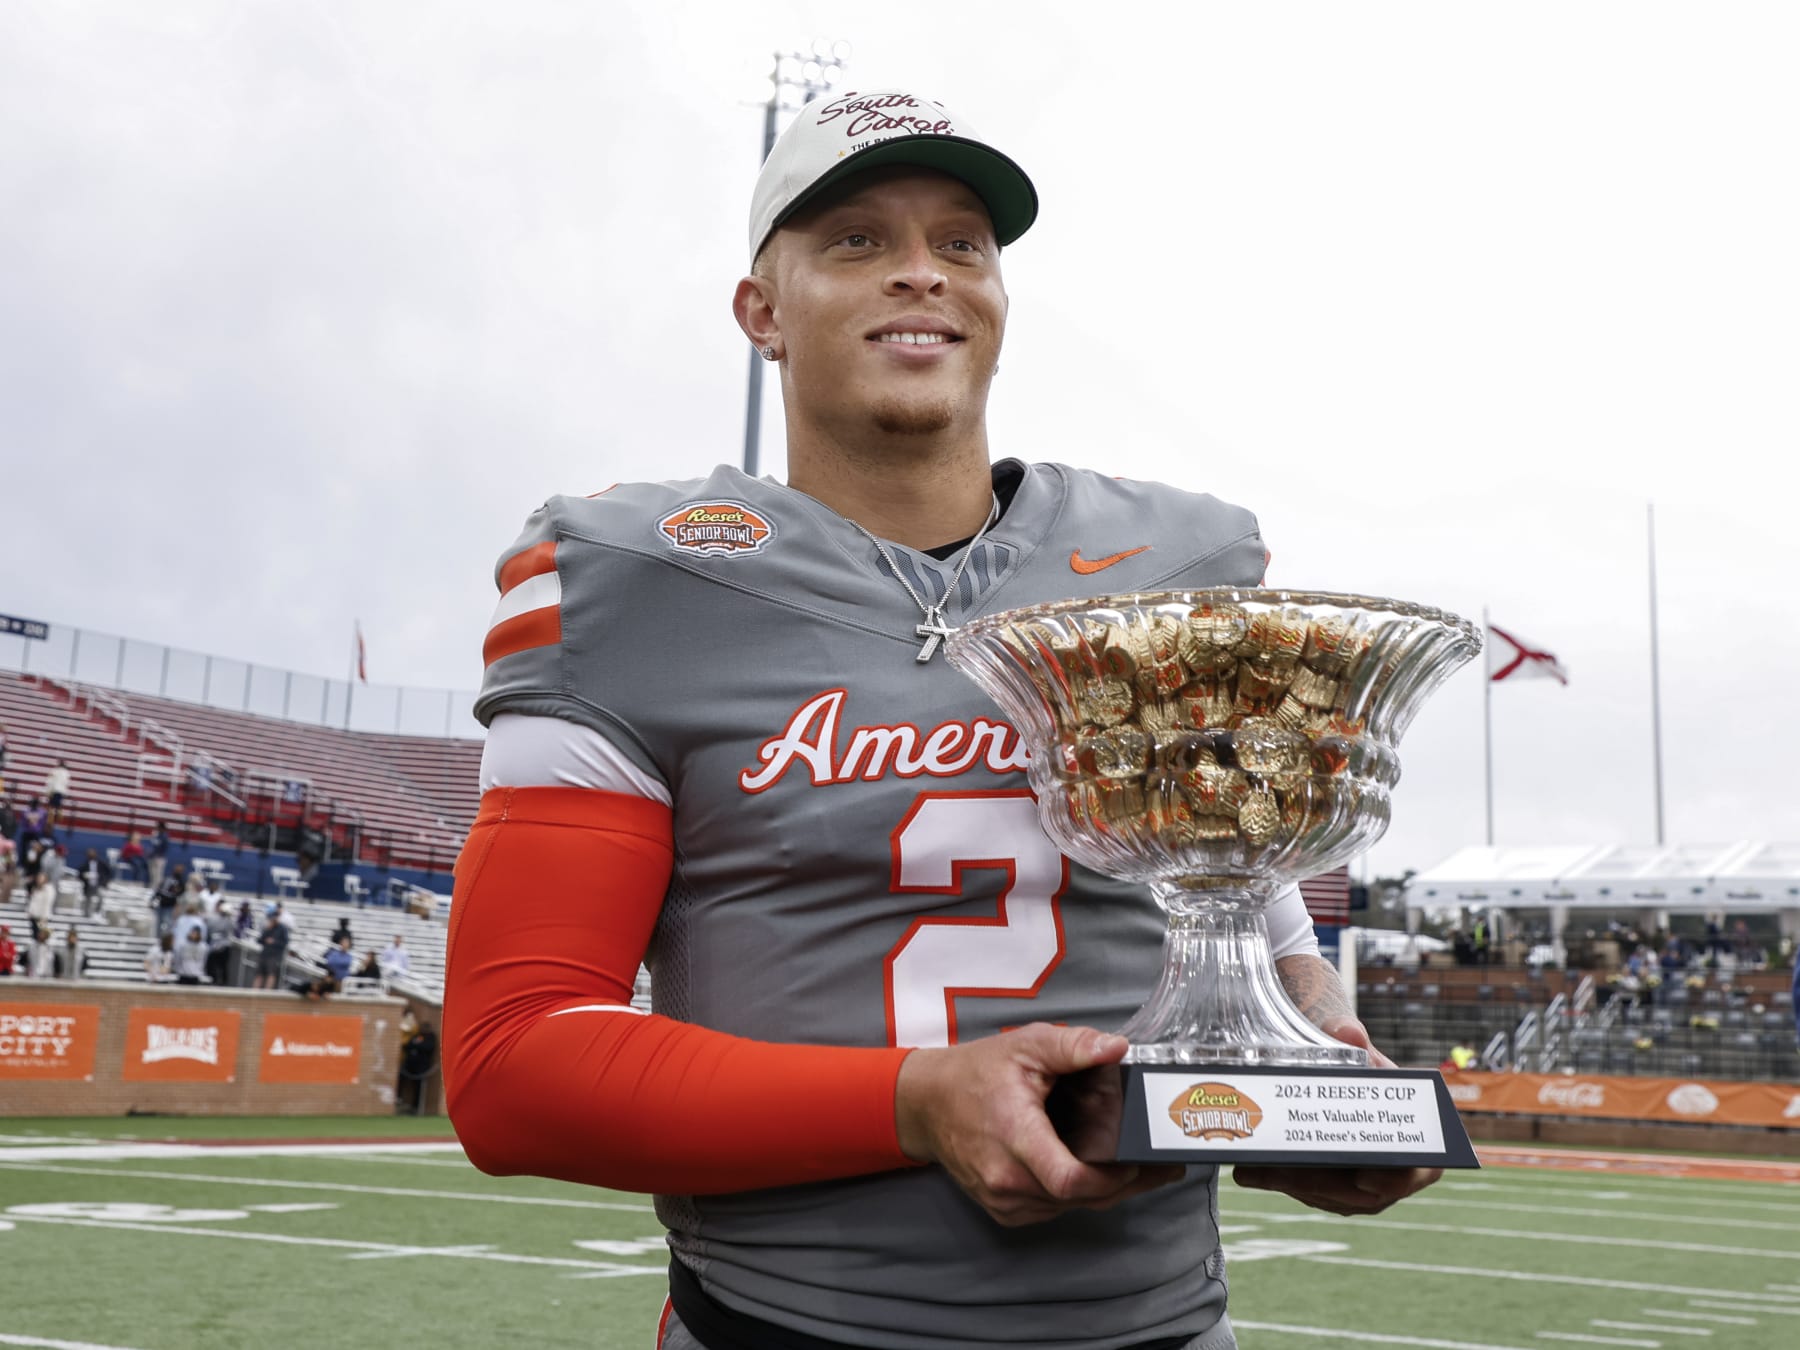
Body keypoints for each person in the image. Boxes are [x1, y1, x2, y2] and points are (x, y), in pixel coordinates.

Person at [442, 89, 1437, 1350]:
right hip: (786, 1328)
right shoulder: (637, 579)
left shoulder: (1175, 564)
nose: (922, 272)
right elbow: (513, 1066)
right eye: (856, 240)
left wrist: (1314, 1054)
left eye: (961, 243)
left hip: (1168, 1327)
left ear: (998, 302)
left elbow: (1247, 911)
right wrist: (917, 1101)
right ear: (762, 312)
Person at [397, 1018, 438, 1116]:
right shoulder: (417, 1035)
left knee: (419, 1087)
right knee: (401, 1079)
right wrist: (416, 1045)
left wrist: (416, 1046)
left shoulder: (430, 1037)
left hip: (421, 1066)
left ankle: (416, 1107)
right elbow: (408, 1045)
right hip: (410, 1064)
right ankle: (399, 1098)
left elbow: (427, 1047)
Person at [254, 911, 289, 990]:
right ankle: (254, 993)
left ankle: (267, 993)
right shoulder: (268, 928)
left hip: (274, 956)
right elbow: (259, 940)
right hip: (264, 954)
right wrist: (267, 931)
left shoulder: (283, 929)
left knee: (271, 974)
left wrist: (274, 942)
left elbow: (285, 943)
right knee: (259, 974)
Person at [204, 898, 236, 986]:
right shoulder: (212, 918)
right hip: (214, 946)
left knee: (222, 967)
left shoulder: (229, 920)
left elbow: (231, 930)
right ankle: (214, 981)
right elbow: (209, 930)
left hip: (223, 946)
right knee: (213, 966)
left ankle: (221, 983)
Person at [150, 863, 186, 936]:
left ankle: (166, 940)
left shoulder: (181, 883)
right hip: (161, 904)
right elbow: (159, 891)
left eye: (179, 871)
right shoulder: (167, 879)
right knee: (158, 923)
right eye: (177, 870)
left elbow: (180, 894)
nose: (177, 872)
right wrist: (153, 900)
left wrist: (177, 906)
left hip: (170, 906)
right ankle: (157, 938)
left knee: (168, 923)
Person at [79, 847, 112, 916]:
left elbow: (108, 873)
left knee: (101, 897)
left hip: (98, 884)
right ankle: (86, 913)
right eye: (89, 853)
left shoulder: (101, 863)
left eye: (92, 853)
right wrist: (85, 876)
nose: (91, 855)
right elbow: (80, 874)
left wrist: (104, 881)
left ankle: (97, 911)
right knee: (88, 899)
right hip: (88, 885)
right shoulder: (85, 864)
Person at [43, 760, 71, 827]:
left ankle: (50, 820)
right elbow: (66, 784)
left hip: (54, 790)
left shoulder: (54, 771)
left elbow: (49, 781)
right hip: (61, 791)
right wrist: (65, 793)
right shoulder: (67, 773)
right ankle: (59, 819)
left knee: (51, 806)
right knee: (58, 805)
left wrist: (48, 792)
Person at [146, 822, 171, 892]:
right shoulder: (157, 835)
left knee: (158, 874)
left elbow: (162, 848)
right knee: (152, 873)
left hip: (160, 858)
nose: (157, 828)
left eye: (158, 827)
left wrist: (158, 855)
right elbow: (153, 845)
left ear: (161, 828)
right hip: (153, 857)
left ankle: (158, 888)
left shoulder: (164, 837)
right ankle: (153, 886)